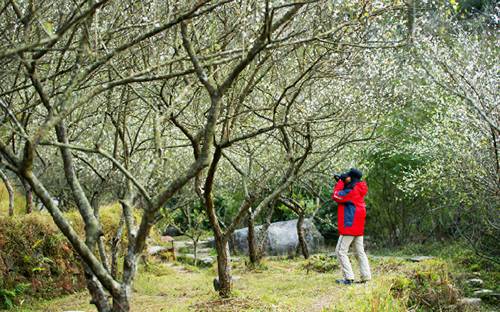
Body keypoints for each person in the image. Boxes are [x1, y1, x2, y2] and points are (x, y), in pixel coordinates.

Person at [331, 168, 371, 285]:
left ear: (351, 178)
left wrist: (340, 183)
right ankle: (366, 277)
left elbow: (336, 196)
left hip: (350, 226)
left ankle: (348, 278)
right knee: (360, 252)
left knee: (340, 251)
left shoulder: (351, 191)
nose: (345, 178)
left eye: (347, 177)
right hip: (358, 227)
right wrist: (344, 183)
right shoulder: (358, 188)